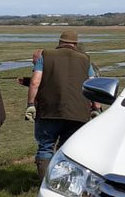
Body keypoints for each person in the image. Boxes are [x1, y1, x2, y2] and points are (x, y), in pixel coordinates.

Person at [25, 30, 91, 178]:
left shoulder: (46, 55)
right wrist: (96, 107)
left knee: (45, 147)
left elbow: (35, 82)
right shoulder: (85, 59)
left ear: (60, 42)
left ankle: (44, 183)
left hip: (49, 110)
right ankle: (62, 184)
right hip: (78, 112)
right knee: (67, 149)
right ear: (75, 43)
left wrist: (30, 104)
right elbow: (92, 84)